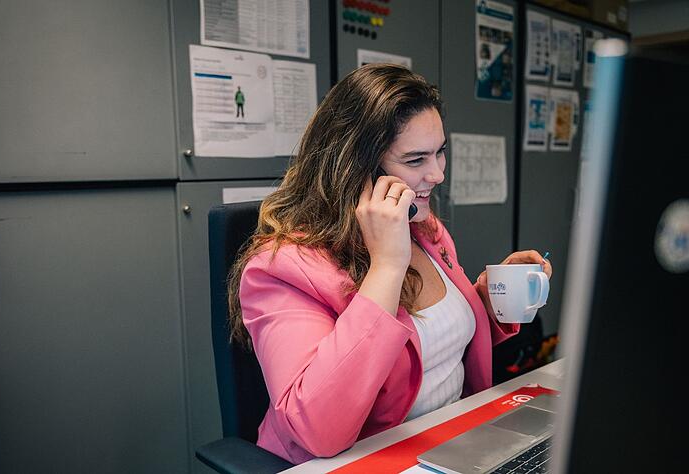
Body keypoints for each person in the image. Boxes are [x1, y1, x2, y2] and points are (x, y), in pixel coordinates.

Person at [227, 64, 552, 464]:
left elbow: (438, 340)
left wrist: (487, 299)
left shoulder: (425, 228)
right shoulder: (281, 268)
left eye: (440, 152)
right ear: (357, 169)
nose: (436, 174)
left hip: (451, 445)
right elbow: (317, 430)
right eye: (415, 160)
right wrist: (386, 267)